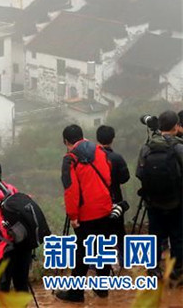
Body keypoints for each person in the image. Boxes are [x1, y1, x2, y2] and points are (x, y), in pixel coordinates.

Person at [56, 124, 112, 303]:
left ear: (66, 141)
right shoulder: (99, 150)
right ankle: (102, 288)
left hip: (86, 213)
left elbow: (71, 190)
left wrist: (73, 216)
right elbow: (108, 176)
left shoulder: (70, 159)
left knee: (81, 252)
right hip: (104, 207)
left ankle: (76, 293)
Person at [136, 110, 183, 282]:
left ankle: (153, 269)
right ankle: (177, 270)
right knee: (177, 235)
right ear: (176, 126)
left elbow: (139, 173)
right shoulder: (178, 147)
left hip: (153, 201)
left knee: (154, 234)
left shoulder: (146, 147)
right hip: (176, 201)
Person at [96, 125, 130, 265]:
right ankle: (124, 260)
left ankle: (100, 261)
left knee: (99, 231)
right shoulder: (117, 158)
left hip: (97, 200)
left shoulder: (92, 158)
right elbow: (125, 178)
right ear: (112, 139)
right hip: (115, 198)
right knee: (119, 230)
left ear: (97, 138)